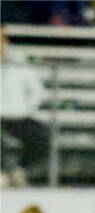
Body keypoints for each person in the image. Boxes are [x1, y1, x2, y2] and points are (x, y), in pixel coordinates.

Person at [0, 29, 49, 187]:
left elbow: (38, 92)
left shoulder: (20, 63)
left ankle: (19, 169)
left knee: (42, 137)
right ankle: (1, 173)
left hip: (19, 116)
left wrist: (26, 109)